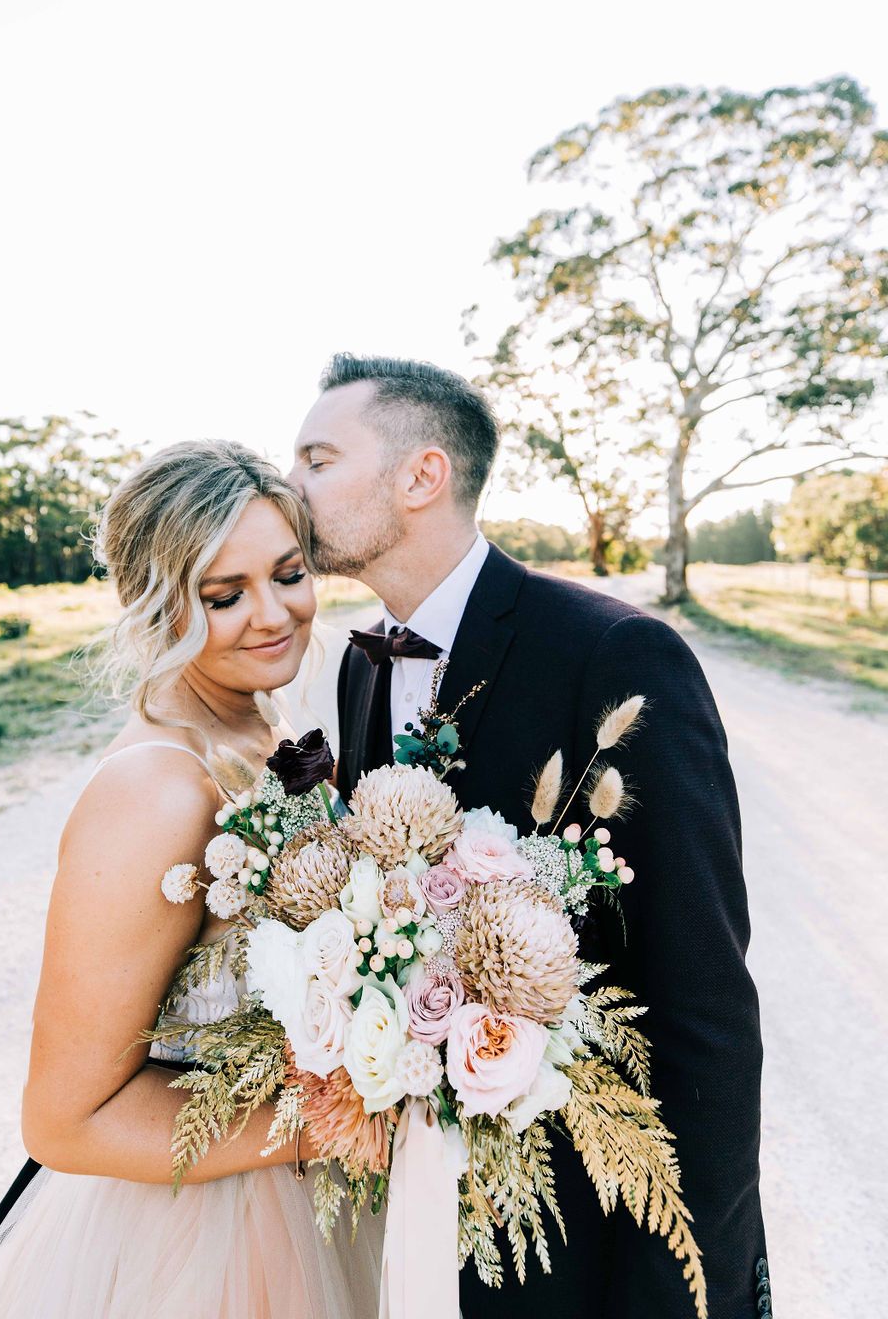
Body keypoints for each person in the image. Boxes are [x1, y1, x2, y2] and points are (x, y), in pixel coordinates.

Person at [289, 353, 772, 1319]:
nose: (288, 484)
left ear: (422, 476)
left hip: (589, 1240)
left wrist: (688, 1289)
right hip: (431, 1229)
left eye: (318, 459)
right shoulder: (359, 665)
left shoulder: (613, 653)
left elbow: (705, 1006)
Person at [0, 440, 384, 1319]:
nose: (273, 615)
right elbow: (65, 1121)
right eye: (224, 597)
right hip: (207, 1238)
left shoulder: (262, 720)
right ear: (155, 603)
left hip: (322, 1192)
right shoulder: (155, 790)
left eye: (288, 574)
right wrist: (337, 1120)